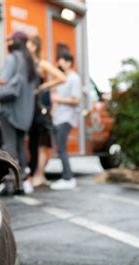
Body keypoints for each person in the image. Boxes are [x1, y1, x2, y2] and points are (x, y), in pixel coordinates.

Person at [0, 31, 37, 194]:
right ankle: (20, 183)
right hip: (25, 112)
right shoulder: (29, 61)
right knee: (20, 147)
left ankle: (10, 182)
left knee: (9, 145)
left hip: (10, 109)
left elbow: (2, 81)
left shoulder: (13, 59)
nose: (8, 42)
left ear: (15, 42)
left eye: (10, 40)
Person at [26, 35, 66, 191]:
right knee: (33, 144)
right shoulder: (28, 64)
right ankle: (35, 174)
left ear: (34, 46)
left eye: (28, 44)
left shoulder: (42, 63)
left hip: (40, 109)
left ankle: (39, 175)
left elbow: (61, 77)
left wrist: (44, 86)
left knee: (42, 144)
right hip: (31, 109)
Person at [50, 52, 82, 190]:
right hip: (58, 118)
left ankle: (68, 178)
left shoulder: (74, 78)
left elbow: (76, 100)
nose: (59, 64)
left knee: (62, 148)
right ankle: (66, 176)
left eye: (61, 61)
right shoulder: (62, 78)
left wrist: (58, 100)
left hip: (66, 118)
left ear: (69, 63)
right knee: (60, 148)